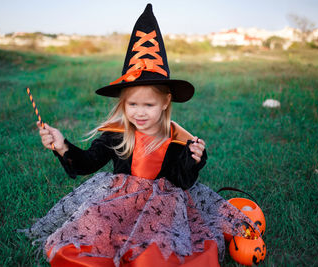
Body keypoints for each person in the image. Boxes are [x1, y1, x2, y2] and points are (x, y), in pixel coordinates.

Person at [23, 4, 255, 267]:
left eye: (149, 105)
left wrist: (194, 159)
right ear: (123, 104)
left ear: (166, 102)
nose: (140, 113)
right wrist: (62, 145)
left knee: (164, 246)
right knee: (92, 230)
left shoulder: (179, 140)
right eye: (132, 105)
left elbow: (182, 181)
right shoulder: (117, 135)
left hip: (163, 206)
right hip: (119, 203)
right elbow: (87, 162)